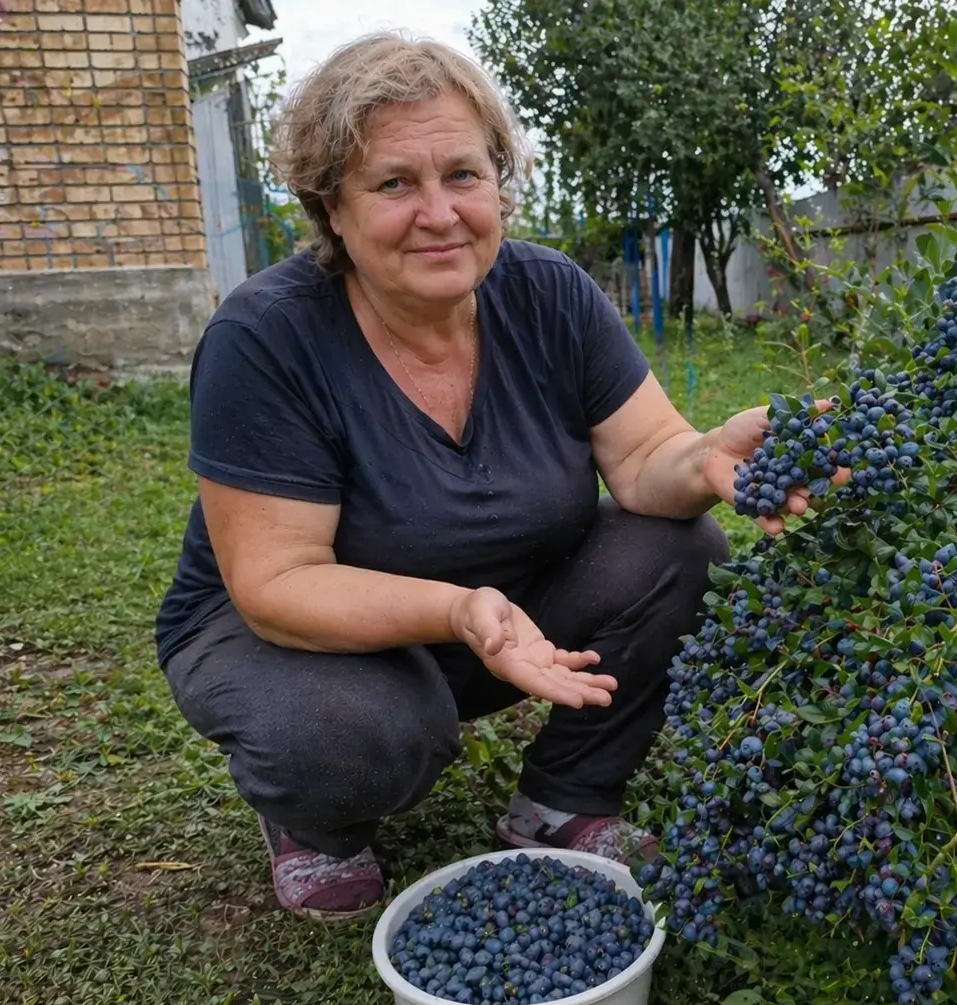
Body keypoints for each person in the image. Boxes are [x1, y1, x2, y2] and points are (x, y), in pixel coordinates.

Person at [153, 31, 824, 923]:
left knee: (680, 543)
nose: (439, 213)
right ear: (331, 207)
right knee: (355, 737)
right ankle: (315, 822)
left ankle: (563, 798)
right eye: (395, 183)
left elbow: (640, 459)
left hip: (496, 620)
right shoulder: (268, 340)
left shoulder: (549, 295)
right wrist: (456, 609)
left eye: (463, 175)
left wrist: (703, 458)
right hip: (289, 638)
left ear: (499, 183)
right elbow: (278, 583)